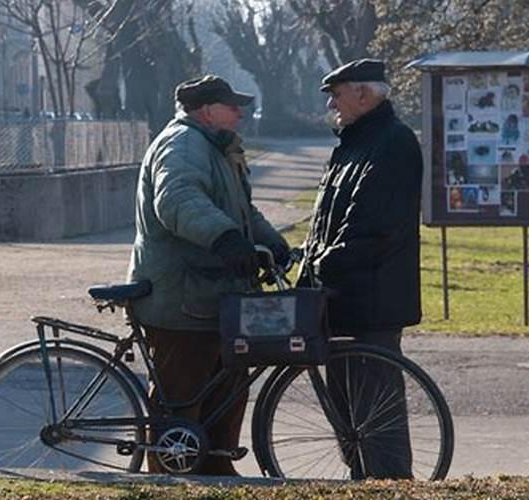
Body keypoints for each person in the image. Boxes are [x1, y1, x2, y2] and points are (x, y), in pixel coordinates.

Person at [126, 75, 289, 475]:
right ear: (206, 110)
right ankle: (170, 479)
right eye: (232, 105)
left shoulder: (215, 147)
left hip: (213, 296)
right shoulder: (182, 144)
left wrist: (274, 244)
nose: (241, 112)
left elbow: (243, 213)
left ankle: (217, 471)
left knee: (227, 390)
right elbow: (178, 201)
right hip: (181, 298)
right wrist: (226, 240)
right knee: (181, 401)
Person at [300, 58, 423, 479]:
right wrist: (308, 263)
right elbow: (326, 221)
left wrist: (321, 262)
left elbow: (373, 225)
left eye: (337, 93)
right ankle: (363, 481)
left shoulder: (393, 143)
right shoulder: (352, 144)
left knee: (376, 416)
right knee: (349, 416)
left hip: (373, 300)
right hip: (341, 298)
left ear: (364, 94)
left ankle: (388, 485)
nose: (332, 102)